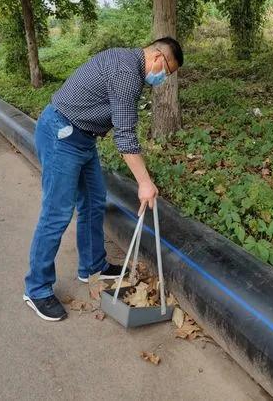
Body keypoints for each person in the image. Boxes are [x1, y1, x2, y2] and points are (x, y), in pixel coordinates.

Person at [23, 38, 184, 322]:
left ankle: (92, 266)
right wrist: (144, 182)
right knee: (57, 214)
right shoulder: (127, 74)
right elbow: (124, 135)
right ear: (158, 57)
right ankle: (36, 288)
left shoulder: (127, 63)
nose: (163, 78)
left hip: (82, 139)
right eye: (167, 71)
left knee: (94, 201)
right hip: (61, 135)